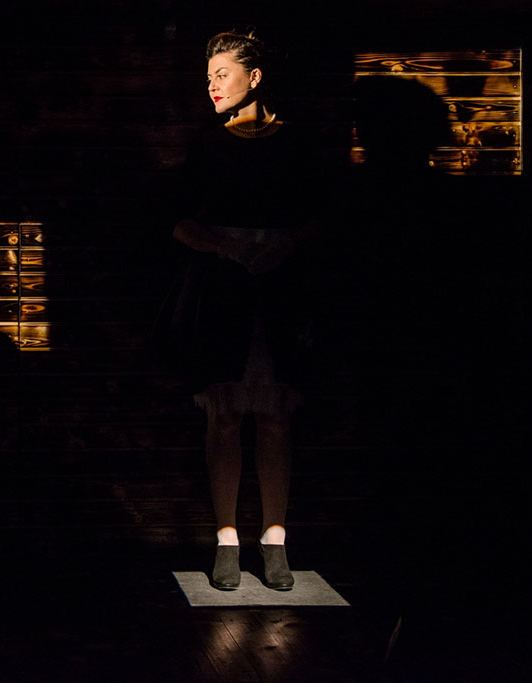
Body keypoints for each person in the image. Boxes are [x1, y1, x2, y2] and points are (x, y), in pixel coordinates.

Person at [167, 30, 323, 590]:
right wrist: (224, 248)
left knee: (276, 417)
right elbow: (178, 220)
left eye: (222, 74)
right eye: (208, 76)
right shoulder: (207, 146)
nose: (212, 85)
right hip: (223, 288)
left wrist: (285, 246)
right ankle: (227, 538)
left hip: (281, 288)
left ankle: (275, 538)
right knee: (225, 416)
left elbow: (323, 216)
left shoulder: (296, 144)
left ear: (254, 77)